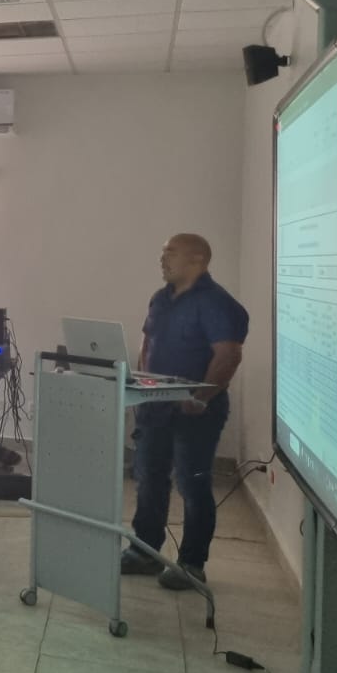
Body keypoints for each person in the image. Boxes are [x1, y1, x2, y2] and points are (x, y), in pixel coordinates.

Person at [121, 234, 248, 590]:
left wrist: (200, 398)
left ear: (198, 260)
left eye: (171, 254)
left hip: (197, 411)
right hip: (155, 407)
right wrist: (145, 385)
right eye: (163, 253)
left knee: (192, 484)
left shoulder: (218, 303)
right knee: (149, 479)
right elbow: (148, 343)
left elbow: (228, 355)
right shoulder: (160, 299)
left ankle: (192, 563)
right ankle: (145, 551)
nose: (163, 260)